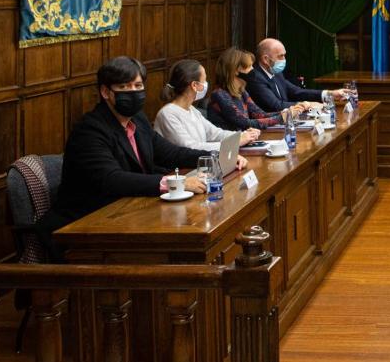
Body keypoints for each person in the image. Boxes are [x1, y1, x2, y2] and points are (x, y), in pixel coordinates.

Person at [40, 57, 248, 237]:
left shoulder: (137, 120)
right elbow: (111, 179)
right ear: (105, 92)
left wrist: (217, 157)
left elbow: (170, 152)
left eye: (138, 86)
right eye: (124, 87)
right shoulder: (90, 130)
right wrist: (178, 182)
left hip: (131, 213)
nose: (133, 92)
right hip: (86, 224)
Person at [155, 59, 261, 152]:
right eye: (204, 80)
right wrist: (236, 142)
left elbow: (215, 133)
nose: (206, 83)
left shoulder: (192, 109)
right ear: (194, 85)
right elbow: (189, 148)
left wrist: (242, 135)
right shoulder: (168, 114)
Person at [207, 47, 303, 130]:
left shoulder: (242, 91)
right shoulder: (220, 95)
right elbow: (245, 123)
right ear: (235, 71)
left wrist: (286, 112)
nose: (253, 70)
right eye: (249, 67)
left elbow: (259, 114)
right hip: (228, 147)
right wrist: (282, 117)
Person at [246, 38, 345, 113]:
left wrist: (330, 94)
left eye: (284, 55)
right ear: (265, 59)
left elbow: (297, 92)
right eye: (280, 56)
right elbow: (276, 105)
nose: (284, 59)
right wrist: (307, 105)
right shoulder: (255, 78)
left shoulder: (277, 73)